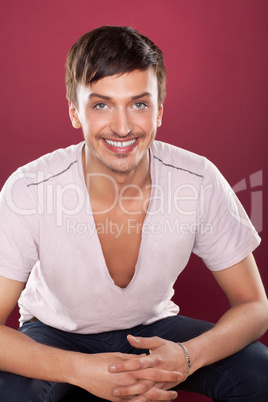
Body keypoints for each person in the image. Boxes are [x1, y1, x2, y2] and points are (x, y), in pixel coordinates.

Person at [0, 25, 267, 402]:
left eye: (139, 104)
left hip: (154, 332)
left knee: (259, 372)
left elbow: (254, 305)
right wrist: (80, 371)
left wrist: (188, 358)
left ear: (159, 110)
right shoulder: (28, 188)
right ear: (76, 113)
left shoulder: (198, 178)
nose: (122, 127)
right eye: (101, 104)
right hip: (55, 335)